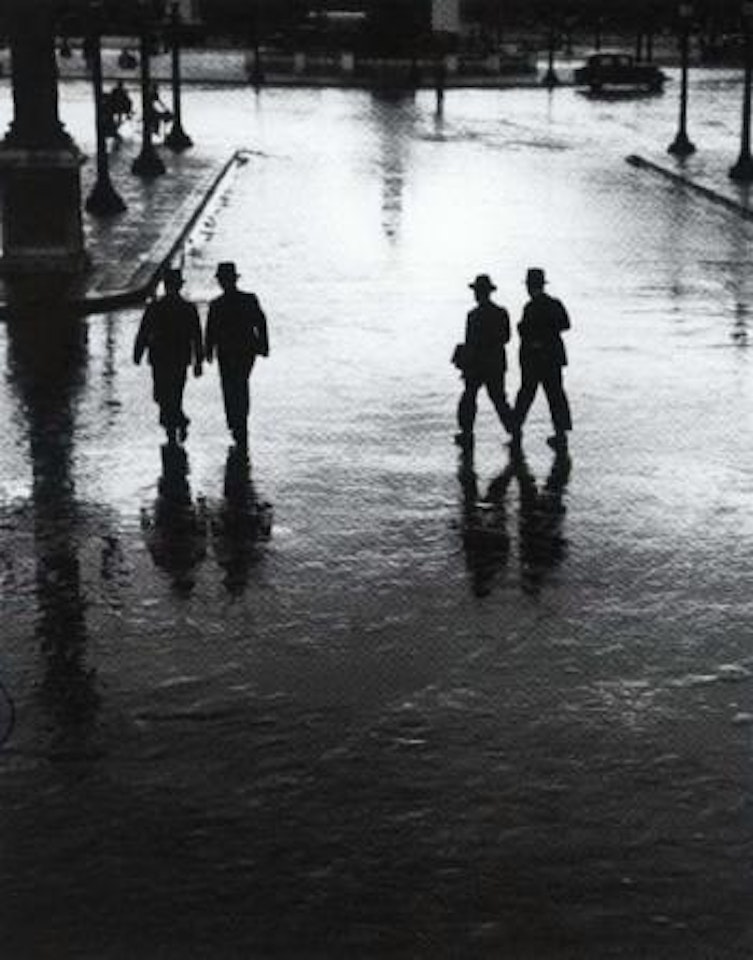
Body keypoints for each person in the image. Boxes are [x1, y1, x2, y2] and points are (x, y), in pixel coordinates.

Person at [133, 268, 203, 445]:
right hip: (176, 357)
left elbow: (144, 331)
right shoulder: (186, 308)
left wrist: (138, 352)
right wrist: (198, 360)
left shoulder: (157, 307)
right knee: (170, 393)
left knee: (165, 393)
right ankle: (178, 421)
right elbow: (196, 336)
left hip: (162, 357)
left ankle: (173, 428)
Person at [205, 262, 270, 450]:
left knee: (229, 385)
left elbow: (211, 330)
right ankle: (240, 421)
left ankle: (235, 421)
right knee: (241, 383)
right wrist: (264, 344)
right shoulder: (249, 299)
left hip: (227, 351)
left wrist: (208, 350)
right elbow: (261, 322)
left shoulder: (217, 304)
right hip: (246, 350)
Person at [512, 267, 572, 454]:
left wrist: (534, 336)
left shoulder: (529, 307)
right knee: (555, 395)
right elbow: (566, 324)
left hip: (534, 360)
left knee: (526, 395)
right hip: (552, 358)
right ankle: (561, 434)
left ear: (530, 286)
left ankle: (515, 431)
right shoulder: (554, 304)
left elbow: (525, 333)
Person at [455, 273, 515, 449]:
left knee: (469, 398)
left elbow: (470, 342)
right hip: (496, 363)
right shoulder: (501, 313)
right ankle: (514, 431)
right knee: (499, 399)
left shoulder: (473, 315)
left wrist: (466, 362)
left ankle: (467, 434)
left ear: (478, 293)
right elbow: (506, 337)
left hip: (477, 364)